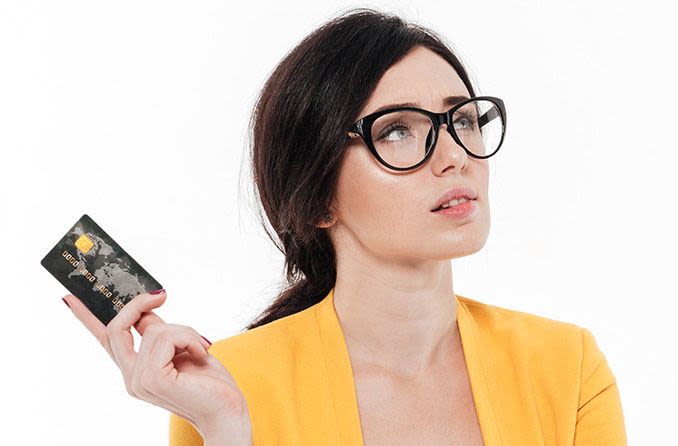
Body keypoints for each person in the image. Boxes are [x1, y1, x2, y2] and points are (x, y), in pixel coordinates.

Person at [62, 7, 627, 446]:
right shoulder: (224, 385)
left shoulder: (566, 365)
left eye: (463, 119)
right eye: (397, 131)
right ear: (317, 200)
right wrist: (229, 428)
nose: (455, 154)